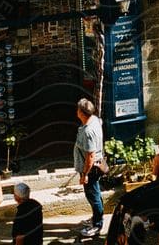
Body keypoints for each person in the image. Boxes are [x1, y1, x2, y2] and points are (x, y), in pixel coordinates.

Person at [73, 98, 105, 239]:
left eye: (78, 109)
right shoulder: (95, 120)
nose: (76, 111)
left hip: (90, 168)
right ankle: (96, 218)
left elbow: (90, 156)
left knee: (93, 196)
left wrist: (85, 174)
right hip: (95, 164)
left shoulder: (88, 131)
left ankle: (97, 225)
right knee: (95, 194)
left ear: (81, 112)